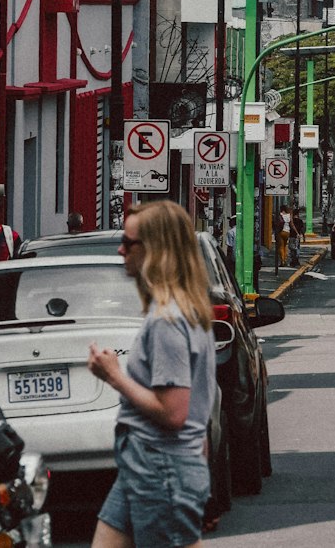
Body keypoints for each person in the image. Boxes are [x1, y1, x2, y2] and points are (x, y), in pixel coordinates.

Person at [88, 199, 216, 548]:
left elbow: (174, 413)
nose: (120, 250)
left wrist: (113, 375)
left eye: (129, 243)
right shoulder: (181, 313)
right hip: (149, 463)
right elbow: (198, 422)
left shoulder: (167, 322)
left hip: (160, 467)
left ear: (155, 250)